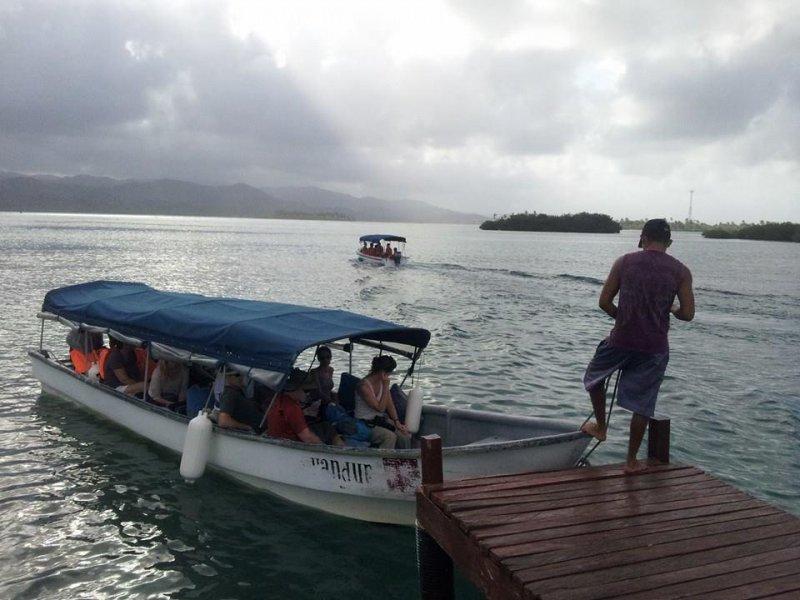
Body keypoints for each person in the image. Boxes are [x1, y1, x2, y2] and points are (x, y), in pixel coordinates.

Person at [581, 219, 694, 474]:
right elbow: (688, 314)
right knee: (642, 404)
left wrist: (623, 320)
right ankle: (631, 461)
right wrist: (673, 308)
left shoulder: (624, 262)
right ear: (669, 243)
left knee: (594, 378)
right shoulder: (681, 271)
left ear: (643, 238)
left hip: (621, 340)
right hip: (654, 347)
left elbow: (604, 302)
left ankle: (601, 427)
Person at [267, 368, 341, 444]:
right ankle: (341, 448)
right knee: (329, 430)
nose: (308, 394)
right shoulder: (292, 408)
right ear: (295, 389)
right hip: (290, 441)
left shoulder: (279, 398)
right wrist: (323, 447)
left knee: (324, 425)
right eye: (306, 390)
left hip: (280, 434)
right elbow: (307, 438)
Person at [355, 355, 411, 449]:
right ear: (383, 372)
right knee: (390, 437)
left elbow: (389, 404)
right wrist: (385, 386)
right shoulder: (363, 386)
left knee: (404, 435)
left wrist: (396, 422)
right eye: (389, 373)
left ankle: (406, 456)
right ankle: (384, 458)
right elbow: (380, 408)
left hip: (379, 420)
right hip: (365, 424)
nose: (389, 376)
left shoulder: (382, 382)